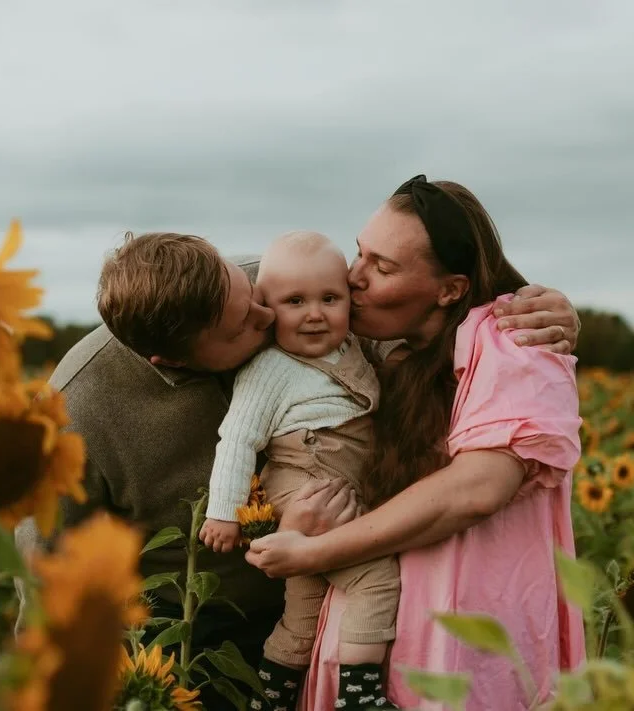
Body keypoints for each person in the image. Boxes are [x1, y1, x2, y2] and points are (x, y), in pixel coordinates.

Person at [14, 222, 581, 711]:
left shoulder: (278, 285)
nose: (269, 317)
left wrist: (530, 312)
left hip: (330, 588)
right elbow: (46, 591)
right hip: (190, 628)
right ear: (173, 359)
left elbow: (413, 311)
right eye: (243, 326)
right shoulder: (78, 411)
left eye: (257, 296)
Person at [245, 175, 585, 710]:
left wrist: (313, 552)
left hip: (465, 650)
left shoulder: (513, 345)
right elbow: (235, 292)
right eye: (359, 253)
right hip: (376, 643)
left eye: (381, 268)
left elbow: (475, 489)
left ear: (449, 289)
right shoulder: (370, 349)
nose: (353, 278)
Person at [200, 231, 400, 711]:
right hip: (304, 488)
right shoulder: (269, 369)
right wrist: (224, 513)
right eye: (295, 301)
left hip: (338, 487)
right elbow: (238, 441)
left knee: (303, 615)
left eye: (329, 298)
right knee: (376, 578)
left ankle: (268, 697)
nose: (315, 313)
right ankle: (360, 695)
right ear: (267, 310)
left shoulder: (354, 347)